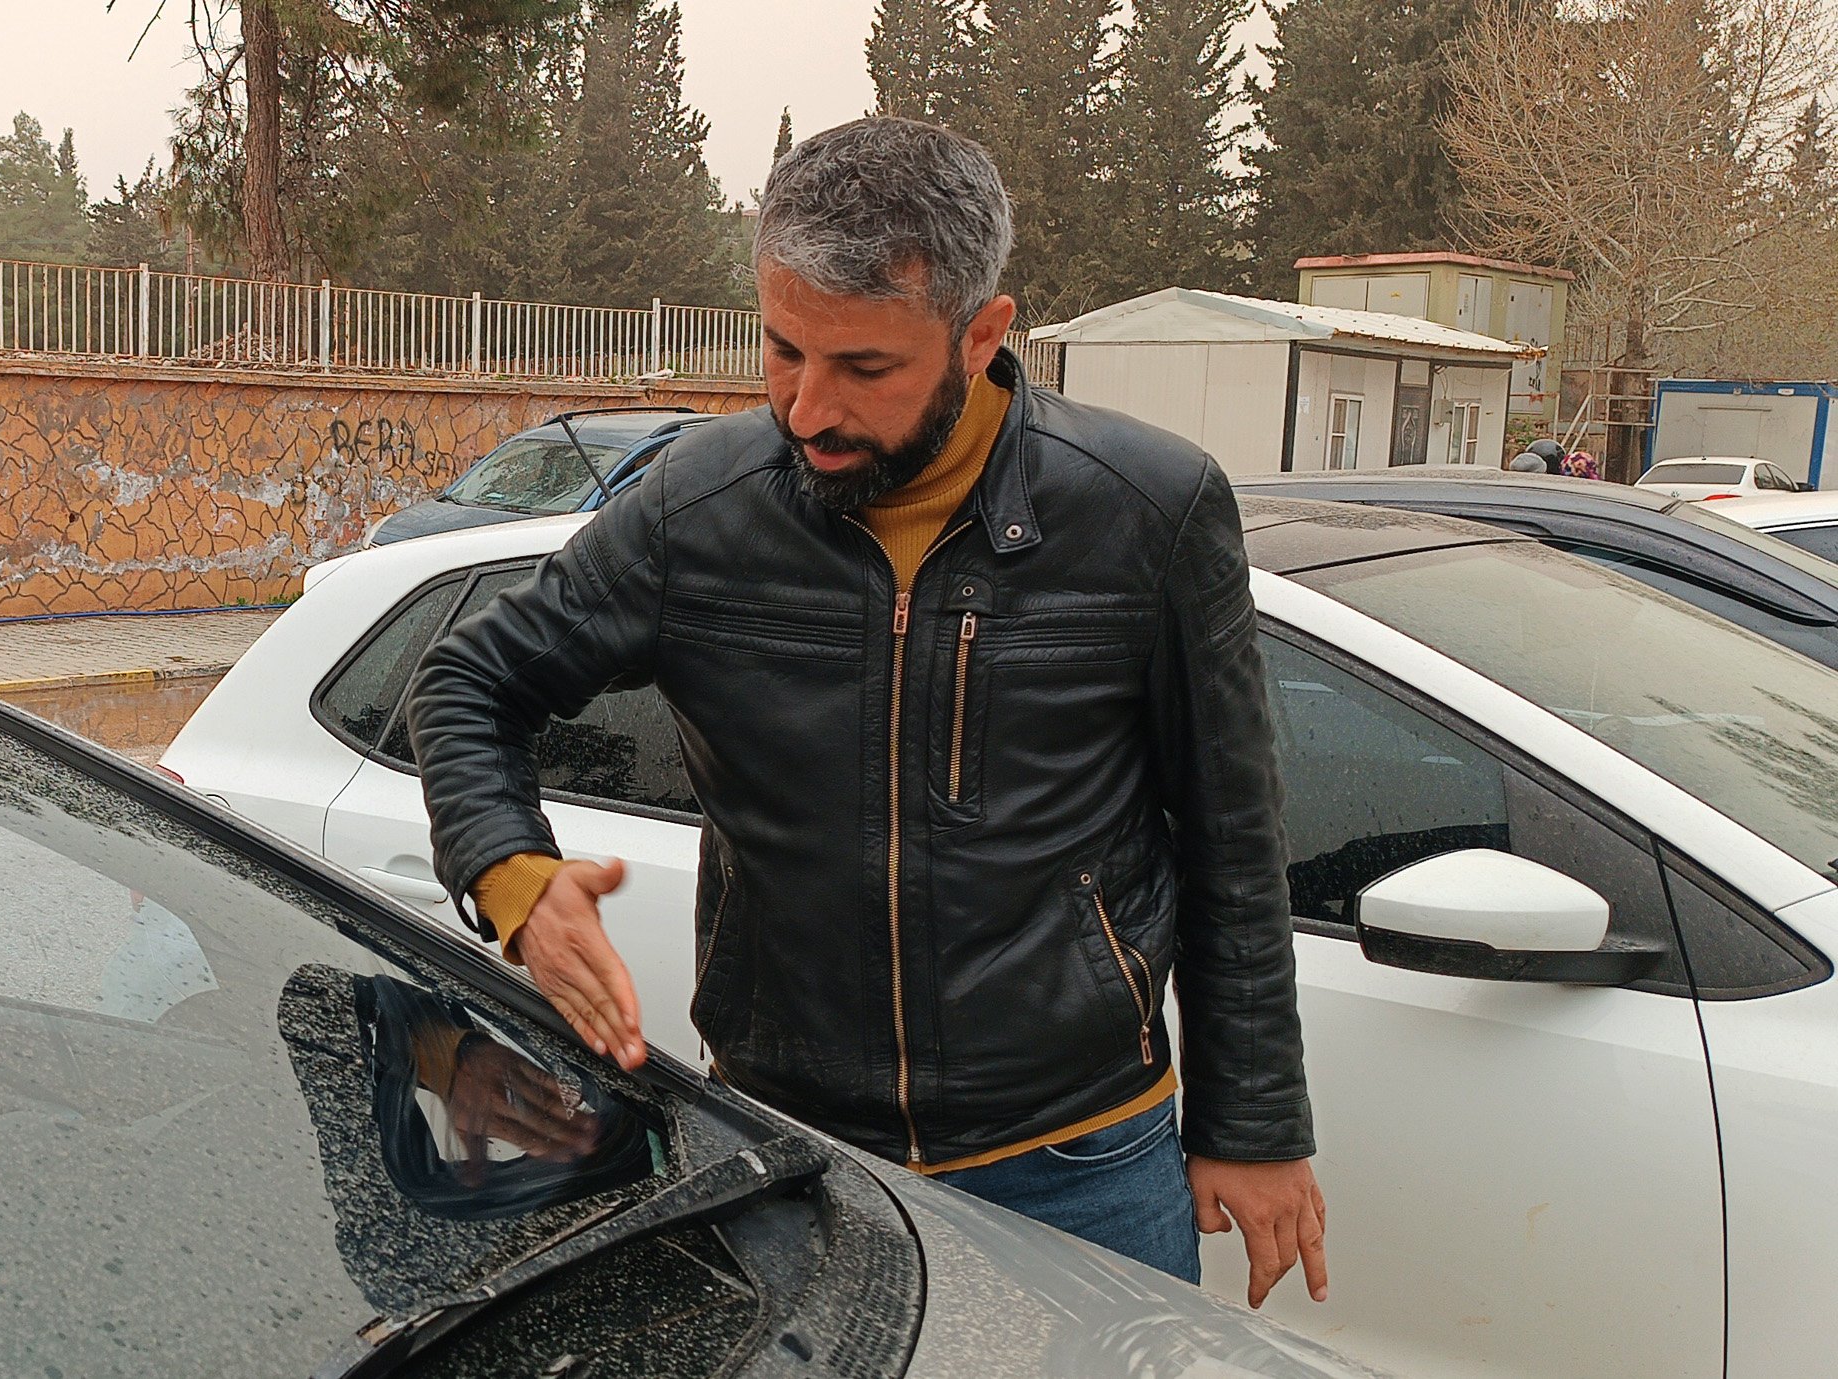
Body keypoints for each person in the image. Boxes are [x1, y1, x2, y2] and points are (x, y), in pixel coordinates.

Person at [405, 117, 1327, 1307]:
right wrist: (515, 880)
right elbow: (467, 677)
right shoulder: (700, 508)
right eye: (784, 350)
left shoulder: (1147, 510)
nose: (803, 409)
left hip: (1083, 1158)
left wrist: (1254, 1126)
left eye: (864, 369)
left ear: (985, 335)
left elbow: (1232, 835)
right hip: (795, 1155)